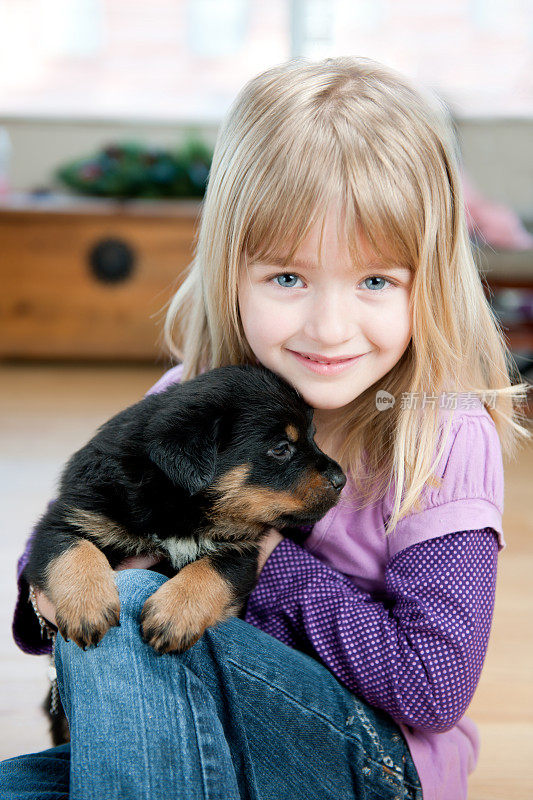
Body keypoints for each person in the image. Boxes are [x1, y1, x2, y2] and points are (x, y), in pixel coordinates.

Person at [2, 57, 531, 800]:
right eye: (288, 278)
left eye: (375, 281)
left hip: (368, 767)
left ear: (429, 280)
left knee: (126, 620)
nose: (329, 325)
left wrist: (262, 563)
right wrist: (57, 585)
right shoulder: (198, 396)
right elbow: (51, 566)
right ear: (231, 271)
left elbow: (432, 687)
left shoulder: (442, 436)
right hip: (199, 736)